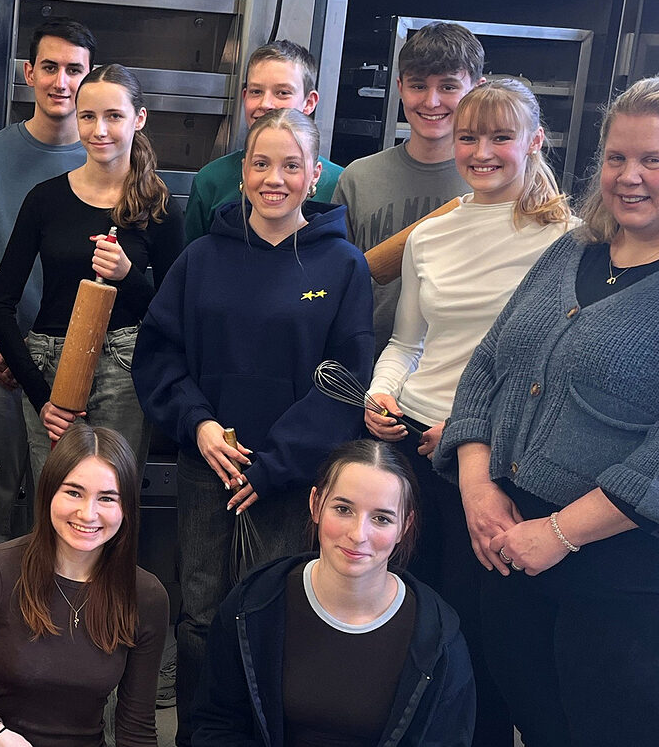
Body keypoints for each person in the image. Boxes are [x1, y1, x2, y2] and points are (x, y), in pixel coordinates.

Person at [132, 108, 373, 746]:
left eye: (291, 165)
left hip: (294, 479)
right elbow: (159, 354)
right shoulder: (201, 259)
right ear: (242, 172)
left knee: (278, 617)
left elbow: (344, 382)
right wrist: (200, 424)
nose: (275, 178)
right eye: (261, 164)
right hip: (209, 465)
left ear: (314, 174)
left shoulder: (343, 267)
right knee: (203, 619)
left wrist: (275, 466)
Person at [436, 76, 659, 746]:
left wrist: (559, 532)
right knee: (516, 711)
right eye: (617, 157)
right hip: (508, 546)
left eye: (653, 160)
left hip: (616, 575)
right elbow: (487, 366)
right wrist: (478, 488)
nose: (630, 176)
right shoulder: (573, 249)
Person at [364, 78, 572, 746]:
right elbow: (406, 343)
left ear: (535, 140)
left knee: (483, 646)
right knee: (409, 625)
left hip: (500, 465)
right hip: (414, 452)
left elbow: (552, 371)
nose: (482, 152)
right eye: (469, 137)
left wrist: (467, 432)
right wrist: (380, 393)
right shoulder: (431, 236)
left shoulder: (569, 242)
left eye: (500, 137)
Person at [190, 441, 475, 746]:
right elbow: (216, 725)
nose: (358, 534)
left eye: (381, 518)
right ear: (315, 505)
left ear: (405, 527)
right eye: (343, 509)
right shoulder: (252, 605)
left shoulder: (440, 641)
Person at [0, 63, 183, 479]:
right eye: (88, 116)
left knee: (114, 502)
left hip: (125, 366)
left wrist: (128, 275)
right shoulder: (45, 199)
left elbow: (174, 316)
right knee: (55, 502)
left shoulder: (159, 207)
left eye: (114, 116)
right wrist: (40, 397)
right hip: (50, 365)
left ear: (139, 119)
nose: (99, 130)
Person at [0, 423, 168, 747]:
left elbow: (137, 726)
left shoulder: (147, 595)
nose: (88, 513)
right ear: (48, 493)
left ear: (126, 508)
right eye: (74, 492)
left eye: (107, 498)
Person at [0, 17, 95, 538]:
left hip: (83, 362)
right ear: (28, 73)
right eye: (50, 67)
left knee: (66, 493)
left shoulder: (104, 158)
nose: (62, 82)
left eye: (75, 70)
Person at [334, 22, 484, 357]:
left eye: (448, 87)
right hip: (364, 366)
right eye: (418, 86)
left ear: (477, 88)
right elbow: (335, 284)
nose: (432, 102)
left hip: (454, 374)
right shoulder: (358, 178)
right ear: (400, 87)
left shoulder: (492, 187)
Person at [182, 40, 344, 242]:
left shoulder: (341, 184)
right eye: (256, 92)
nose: (266, 104)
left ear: (309, 102)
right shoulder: (210, 180)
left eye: (282, 93)